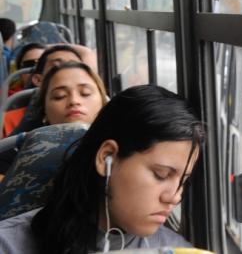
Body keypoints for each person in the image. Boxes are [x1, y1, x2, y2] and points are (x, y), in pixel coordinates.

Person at [0, 85, 204, 253]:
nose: (175, 197)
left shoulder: (174, 249)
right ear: (106, 157)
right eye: (161, 175)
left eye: (183, 180)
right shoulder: (9, 245)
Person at [0, 62, 108, 178]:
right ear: (44, 112)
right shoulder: (18, 158)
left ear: (103, 103)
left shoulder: (122, 149)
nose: (74, 101)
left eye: (85, 93)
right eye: (59, 95)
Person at [2, 44, 83, 138]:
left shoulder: (95, 108)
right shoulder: (8, 120)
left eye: (74, 66)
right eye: (56, 66)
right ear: (38, 80)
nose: (66, 71)